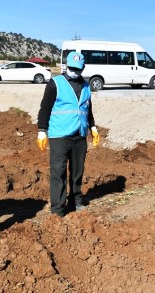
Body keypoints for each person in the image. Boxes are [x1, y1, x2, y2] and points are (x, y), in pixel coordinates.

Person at [36, 51, 99, 217]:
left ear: (83, 68)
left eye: (78, 69)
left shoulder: (86, 86)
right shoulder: (55, 84)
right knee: (59, 172)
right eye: (72, 68)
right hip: (59, 135)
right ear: (66, 66)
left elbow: (87, 109)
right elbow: (45, 109)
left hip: (80, 135)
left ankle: (76, 200)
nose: (75, 71)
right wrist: (42, 131)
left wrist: (93, 127)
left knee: (78, 171)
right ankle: (58, 208)